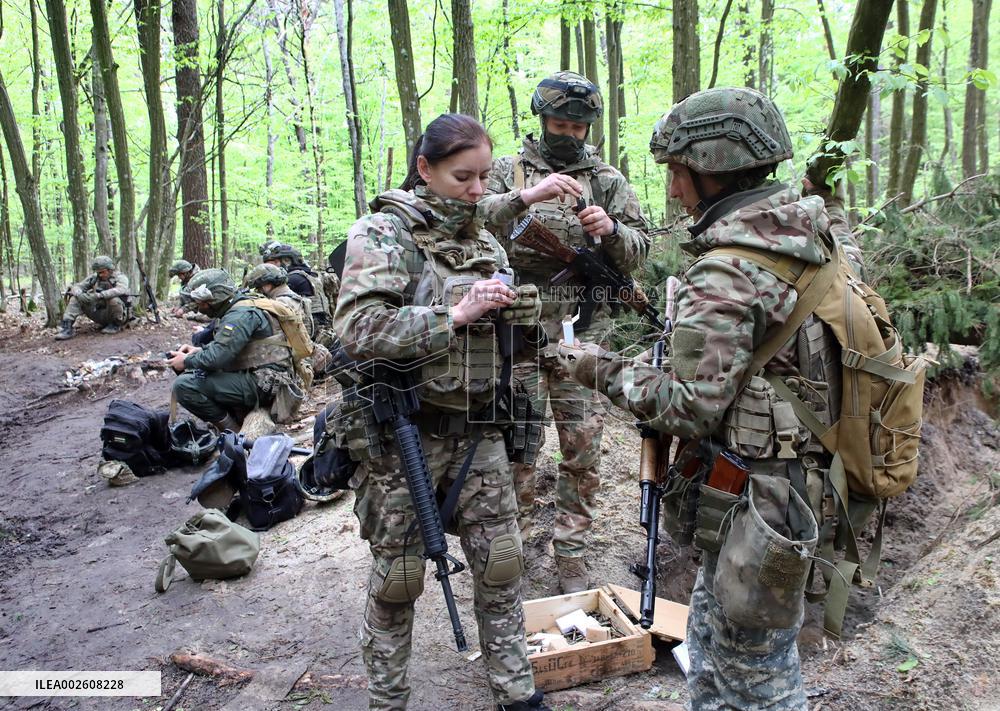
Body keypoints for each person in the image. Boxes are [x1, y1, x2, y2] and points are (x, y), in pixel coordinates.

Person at [556, 87, 865, 710]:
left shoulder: (727, 270)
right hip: (795, 486)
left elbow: (687, 406)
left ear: (713, 167)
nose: (673, 189)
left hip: (762, 505)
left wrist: (595, 367)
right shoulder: (817, 236)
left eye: (677, 171)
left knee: (758, 681)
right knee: (714, 650)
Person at [333, 113, 548, 711]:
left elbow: (509, 347)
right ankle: (387, 699)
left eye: (484, 177)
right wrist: (452, 316)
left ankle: (515, 692)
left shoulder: (485, 240)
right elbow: (355, 329)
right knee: (399, 582)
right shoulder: (382, 234)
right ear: (425, 169)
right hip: (407, 431)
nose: (478, 190)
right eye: (463, 177)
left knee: (501, 567)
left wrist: (519, 320)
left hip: (481, 429)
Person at [477, 70, 650, 592]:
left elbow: (640, 251)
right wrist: (529, 197)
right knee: (518, 448)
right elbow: (472, 218)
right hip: (517, 334)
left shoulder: (609, 180)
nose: (568, 133)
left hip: (579, 335)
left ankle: (571, 553)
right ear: (540, 117)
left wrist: (613, 232)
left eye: (577, 127)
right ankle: (518, 545)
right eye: (558, 122)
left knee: (582, 449)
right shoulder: (508, 170)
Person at [168, 268, 305, 431]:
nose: (199, 307)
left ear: (215, 298)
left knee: (184, 385)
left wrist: (186, 361)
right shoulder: (239, 307)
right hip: (264, 376)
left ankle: (232, 430)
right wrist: (197, 352)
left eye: (202, 302)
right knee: (194, 372)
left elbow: (217, 358)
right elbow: (233, 346)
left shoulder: (239, 314)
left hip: (266, 383)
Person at [55, 256, 131, 340]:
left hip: (115, 314)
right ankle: (67, 328)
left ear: (110, 269)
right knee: (75, 299)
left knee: (114, 300)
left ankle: (115, 325)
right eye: (98, 272)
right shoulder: (95, 277)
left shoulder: (120, 277)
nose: (100, 275)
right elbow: (78, 286)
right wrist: (78, 292)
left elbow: (120, 289)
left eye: (102, 272)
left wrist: (99, 295)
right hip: (98, 312)